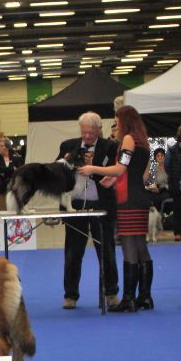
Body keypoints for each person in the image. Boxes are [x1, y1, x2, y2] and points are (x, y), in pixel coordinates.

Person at [78, 105, 154, 312]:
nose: (116, 123)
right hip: (139, 196)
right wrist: (111, 179)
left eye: (117, 119)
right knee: (141, 246)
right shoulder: (143, 140)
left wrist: (92, 168)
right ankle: (145, 297)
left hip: (128, 199)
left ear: (124, 120)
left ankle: (129, 298)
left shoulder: (128, 139)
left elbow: (121, 168)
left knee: (129, 247)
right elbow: (137, 172)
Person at [57, 111, 119, 310]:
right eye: (84, 132)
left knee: (107, 252)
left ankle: (111, 293)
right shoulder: (68, 146)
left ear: (100, 130)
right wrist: (66, 164)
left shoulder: (110, 147)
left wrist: (92, 169)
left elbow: (113, 175)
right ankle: (70, 295)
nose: (87, 136)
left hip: (101, 206)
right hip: (75, 207)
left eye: (91, 133)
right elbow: (58, 174)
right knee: (73, 253)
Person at [0, 137, 21, 211]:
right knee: (3, 210)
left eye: (1, 146)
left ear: (7, 147)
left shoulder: (16, 158)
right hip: (1, 188)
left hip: (14, 188)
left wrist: (3, 171)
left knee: (14, 209)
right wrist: (11, 170)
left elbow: (19, 172)